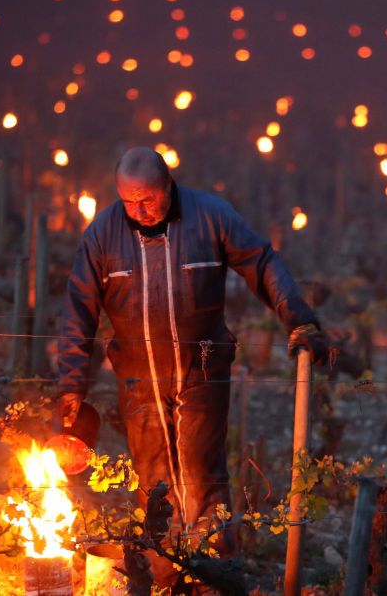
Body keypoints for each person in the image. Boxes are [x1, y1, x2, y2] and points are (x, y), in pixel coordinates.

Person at [56, 147, 328, 550]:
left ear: (168, 186)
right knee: (152, 482)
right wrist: (71, 386)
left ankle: (212, 575)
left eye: (147, 200)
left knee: (201, 475)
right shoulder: (101, 235)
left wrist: (298, 317)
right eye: (129, 201)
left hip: (202, 371)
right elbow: (78, 311)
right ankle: (166, 577)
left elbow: (262, 261)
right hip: (138, 379)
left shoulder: (210, 216)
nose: (139, 211)